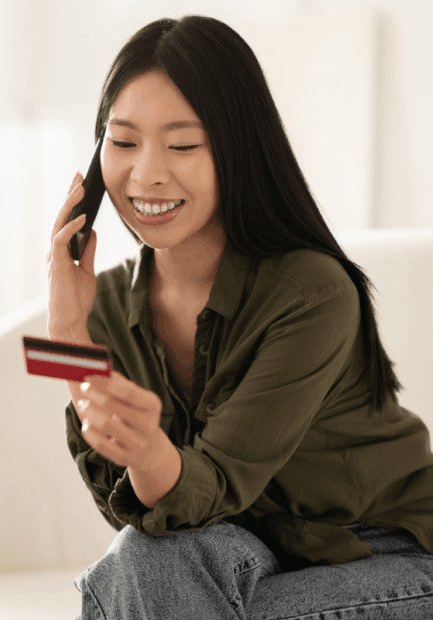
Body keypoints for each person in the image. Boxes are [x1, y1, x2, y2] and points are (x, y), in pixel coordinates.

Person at [46, 14, 433, 620]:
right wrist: (65, 336)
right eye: (122, 143)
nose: (145, 173)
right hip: (246, 552)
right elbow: (134, 511)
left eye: (182, 145)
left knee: (146, 585)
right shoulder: (108, 301)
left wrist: (150, 452)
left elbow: (212, 484)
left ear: (236, 152)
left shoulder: (314, 292)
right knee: (147, 565)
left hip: (386, 554)